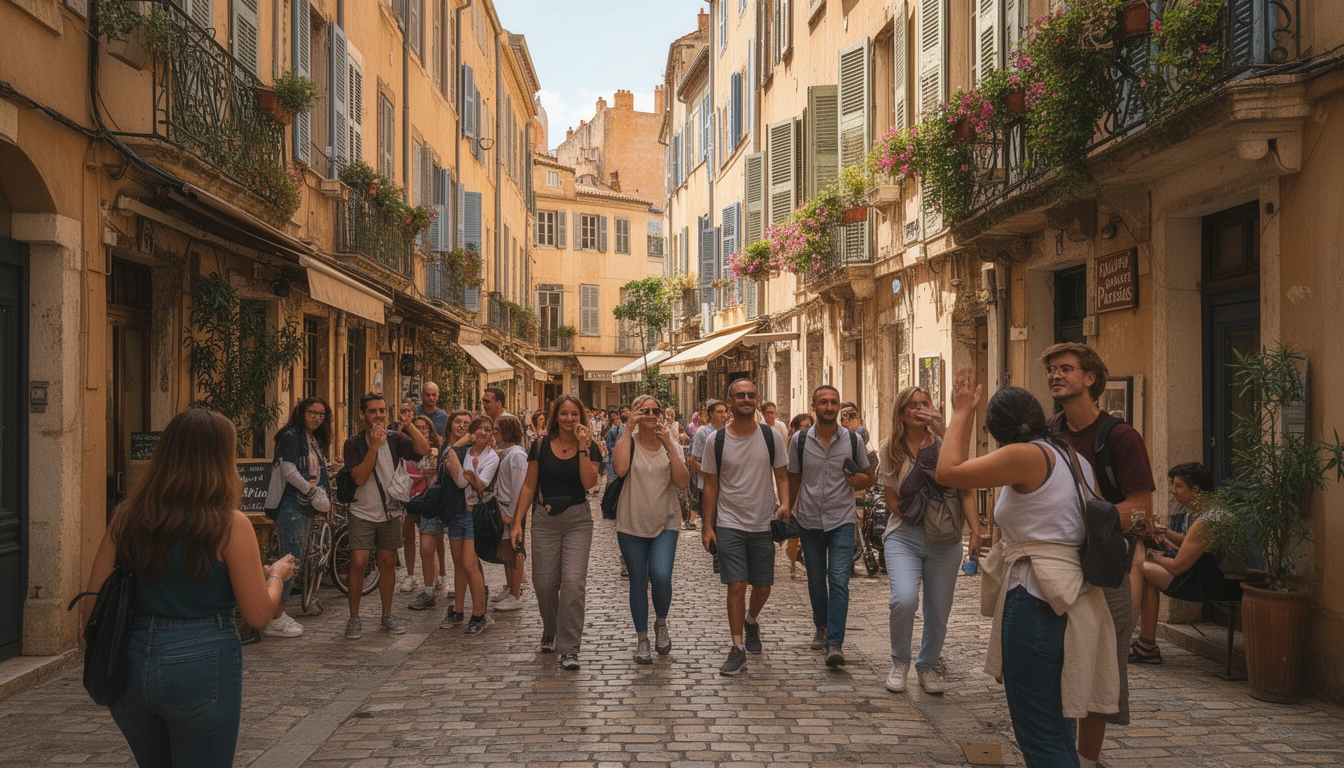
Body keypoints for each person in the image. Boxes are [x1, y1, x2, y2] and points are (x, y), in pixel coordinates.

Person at [81, 408, 297, 767]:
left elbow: (92, 610)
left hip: (130, 664)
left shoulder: (126, 518)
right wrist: (275, 575)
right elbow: (258, 614)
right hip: (202, 658)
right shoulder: (230, 524)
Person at [937, 372, 1119, 767]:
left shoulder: (1024, 455)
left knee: (1041, 736)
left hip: (1037, 597)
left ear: (997, 430)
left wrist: (961, 412)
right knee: (1056, 730)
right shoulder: (1073, 457)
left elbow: (948, 471)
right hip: (1071, 594)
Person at [1043, 343, 1154, 768]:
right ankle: (1057, 755)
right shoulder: (1049, 431)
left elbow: (1141, 508)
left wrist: (1077, 524)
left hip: (1104, 572)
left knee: (1100, 670)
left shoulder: (1120, 437)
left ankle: (1086, 761)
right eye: (1052, 369)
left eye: (1066, 368)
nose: (1056, 375)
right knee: (1054, 666)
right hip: (1054, 571)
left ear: (1091, 378)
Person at [877, 386, 980, 694]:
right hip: (904, 535)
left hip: (945, 538)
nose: (918, 409)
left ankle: (927, 666)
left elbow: (966, 489)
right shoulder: (889, 448)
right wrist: (917, 515)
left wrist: (974, 531)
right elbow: (891, 495)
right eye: (912, 405)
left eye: (924, 403)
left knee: (938, 609)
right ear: (901, 412)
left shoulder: (947, 443)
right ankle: (900, 662)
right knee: (904, 599)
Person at [700, 379, 790, 676]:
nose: (747, 399)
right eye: (740, 395)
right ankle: (737, 648)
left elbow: (782, 474)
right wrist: (707, 526)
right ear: (730, 400)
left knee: (762, 587)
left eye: (751, 395)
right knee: (736, 584)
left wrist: (785, 504)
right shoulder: (717, 440)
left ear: (757, 399)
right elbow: (710, 485)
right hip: (729, 523)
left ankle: (751, 621)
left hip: (763, 522)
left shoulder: (770, 436)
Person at [509, 395, 603, 670]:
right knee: (545, 585)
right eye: (564, 413)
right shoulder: (539, 446)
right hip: (544, 519)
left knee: (574, 584)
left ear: (581, 417)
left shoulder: (590, 446)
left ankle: (569, 647)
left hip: (577, 520)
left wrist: (584, 448)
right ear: (556, 416)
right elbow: (528, 486)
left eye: (575, 414)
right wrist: (517, 522)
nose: (570, 419)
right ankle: (550, 629)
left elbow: (588, 483)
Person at [787, 385, 875, 668]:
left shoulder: (852, 440)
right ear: (814, 406)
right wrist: (787, 507)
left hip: (841, 520)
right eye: (823, 402)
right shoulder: (799, 441)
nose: (828, 407)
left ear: (839, 407)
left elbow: (869, 476)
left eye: (833, 402)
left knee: (838, 579)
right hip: (810, 519)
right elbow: (793, 477)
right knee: (815, 580)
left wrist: (859, 481)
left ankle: (835, 641)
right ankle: (821, 625)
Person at [1130, 462, 1242, 664]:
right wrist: (1164, 534)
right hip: (1205, 573)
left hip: (1218, 582)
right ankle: (1145, 645)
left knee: (1143, 568)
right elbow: (1191, 545)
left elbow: (1178, 566)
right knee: (1148, 571)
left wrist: (1149, 555)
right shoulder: (1200, 513)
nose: (1173, 491)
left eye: (1178, 486)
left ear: (1196, 489)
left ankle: (1142, 641)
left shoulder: (1208, 521)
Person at [342, 392, 430, 639]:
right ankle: (354, 618)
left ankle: (387, 615)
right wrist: (373, 448)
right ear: (362, 414)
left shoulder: (396, 439)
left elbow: (422, 449)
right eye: (373, 411)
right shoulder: (354, 443)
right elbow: (358, 478)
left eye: (382, 410)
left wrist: (409, 425)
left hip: (390, 512)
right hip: (362, 510)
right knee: (358, 562)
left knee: (388, 562)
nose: (379, 415)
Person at [612, 394, 690, 663]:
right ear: (633, 413)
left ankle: (661, 623)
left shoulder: (670, 445)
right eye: (643, 410)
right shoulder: (627, 442)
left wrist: (669, 443)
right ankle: (642, 638)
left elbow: (682, 482)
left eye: (655, 410)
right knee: (637, 580)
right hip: (631, 520)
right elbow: (620, 469)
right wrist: (627, 428)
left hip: (666, 521)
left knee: (660, 575)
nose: (650, 414)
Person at [261, 397, 332, 639]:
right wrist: (311, 491)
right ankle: (274, 616)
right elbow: (288, 469)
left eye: (322, 415)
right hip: (292, 503)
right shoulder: (291, 436)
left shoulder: (312, 439)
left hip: (306, 505)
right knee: (290, 560)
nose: (317, 418)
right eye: (313, 413)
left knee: (295, 560)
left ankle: (277, 613)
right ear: (301, 412)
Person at [441, 415, 497, 634]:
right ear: (472, 432)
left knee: (469, 564)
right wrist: (467, 472)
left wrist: (469, 475)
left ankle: (478, 613)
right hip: (457, 512)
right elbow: (462, 479)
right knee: (458, 564)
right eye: (480, 429)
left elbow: (477, 484)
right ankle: (458, 610)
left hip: (475, 514)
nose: (484, 433)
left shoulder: (491, 457)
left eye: (488, 429)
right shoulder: (463, 452)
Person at [405, 416, 444, 612]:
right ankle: (428, 590)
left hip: (448, 501)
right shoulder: (407, 449)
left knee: (458, 549)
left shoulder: (440, 449)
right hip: (428, 501)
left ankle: (447, 580)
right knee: (426, 547)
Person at [491, 415, 530, 612]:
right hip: (504, 508)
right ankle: (509, 588)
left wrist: (515, 517)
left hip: (512, 510)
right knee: (507, 551)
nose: (494, 431)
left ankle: (516, 594)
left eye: (497, 428)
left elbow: (519, 487)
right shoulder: (508, 453)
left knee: (515, 551)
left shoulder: (517, 455)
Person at [688, 400, 728, 534]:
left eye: (725, 411)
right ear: (711, 414)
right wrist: (706, 475)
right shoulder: (703, 434)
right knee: (710, 519)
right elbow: (693, 459)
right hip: (707, 485)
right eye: (719, 411)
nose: (723, 415)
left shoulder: (730, 432)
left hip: (726, 484)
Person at [785, 413, 815, 579]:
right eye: (804, 426)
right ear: (795, 428)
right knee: (794, 529)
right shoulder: (796, 442)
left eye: (810, 425)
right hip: (798, 489)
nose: (808, 428)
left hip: (810, 489)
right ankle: (792, 564)